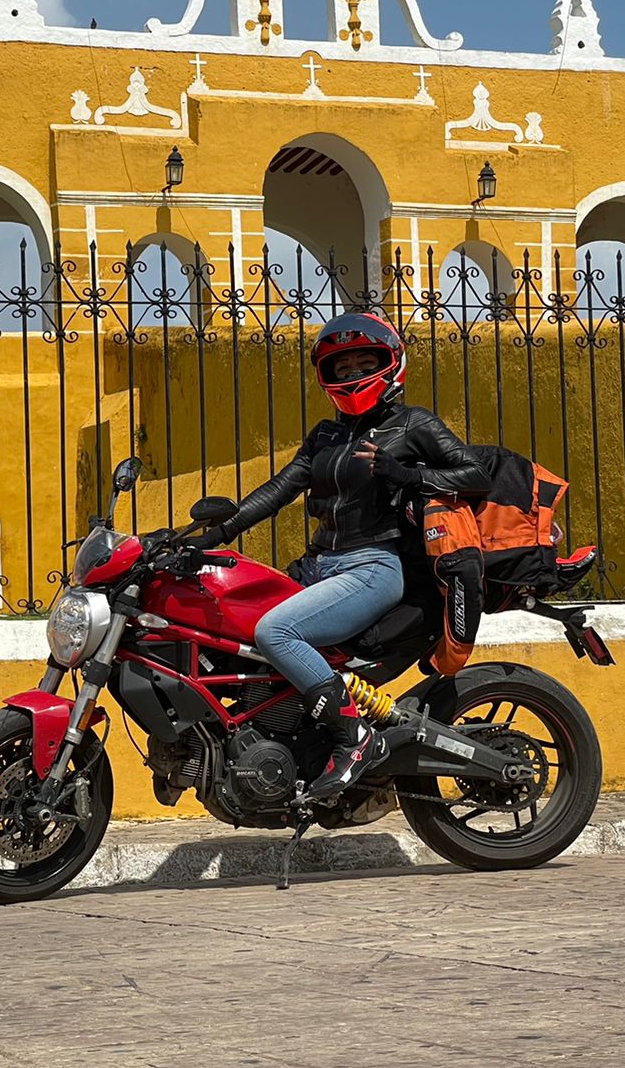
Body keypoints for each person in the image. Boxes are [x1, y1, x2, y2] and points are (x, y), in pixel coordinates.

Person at [198, 309, 491, 800]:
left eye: (363, 363)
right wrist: (216, 532)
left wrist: (410, 476)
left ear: (390, 363)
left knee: (277, 630)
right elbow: (281, 488)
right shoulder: (325, 436)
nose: (354, 375)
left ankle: (352, 737)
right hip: (319, 568)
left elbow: (475, 476)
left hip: (374, 567)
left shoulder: (413, 424)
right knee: (227, 626)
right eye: (343, 367)